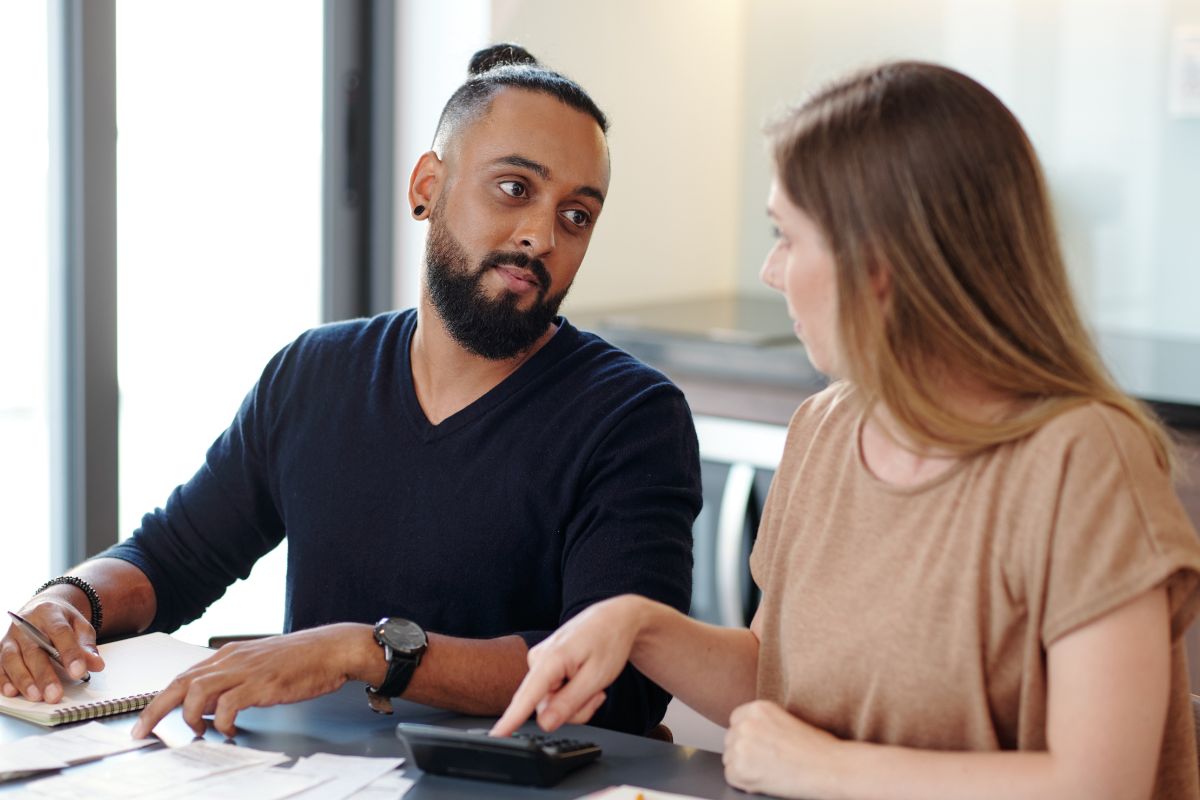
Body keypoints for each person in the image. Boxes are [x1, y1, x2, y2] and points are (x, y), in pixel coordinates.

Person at [493, 60, 1200, 799]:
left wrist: (822, 769)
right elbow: (778, 681)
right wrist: (637, 625)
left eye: (788, 236)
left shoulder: (1082, 460)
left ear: (882, 264)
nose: (771, 271)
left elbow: (1102, 784)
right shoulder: (827, 429)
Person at [0, 44, 701, 739]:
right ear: (427, 186)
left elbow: (621, 687)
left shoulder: (632, 418)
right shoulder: (315, 372)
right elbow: (171, 557)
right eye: (515, 188)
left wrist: (363, 652)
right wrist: (72, 597)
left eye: (577, 215)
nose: (541, 236)